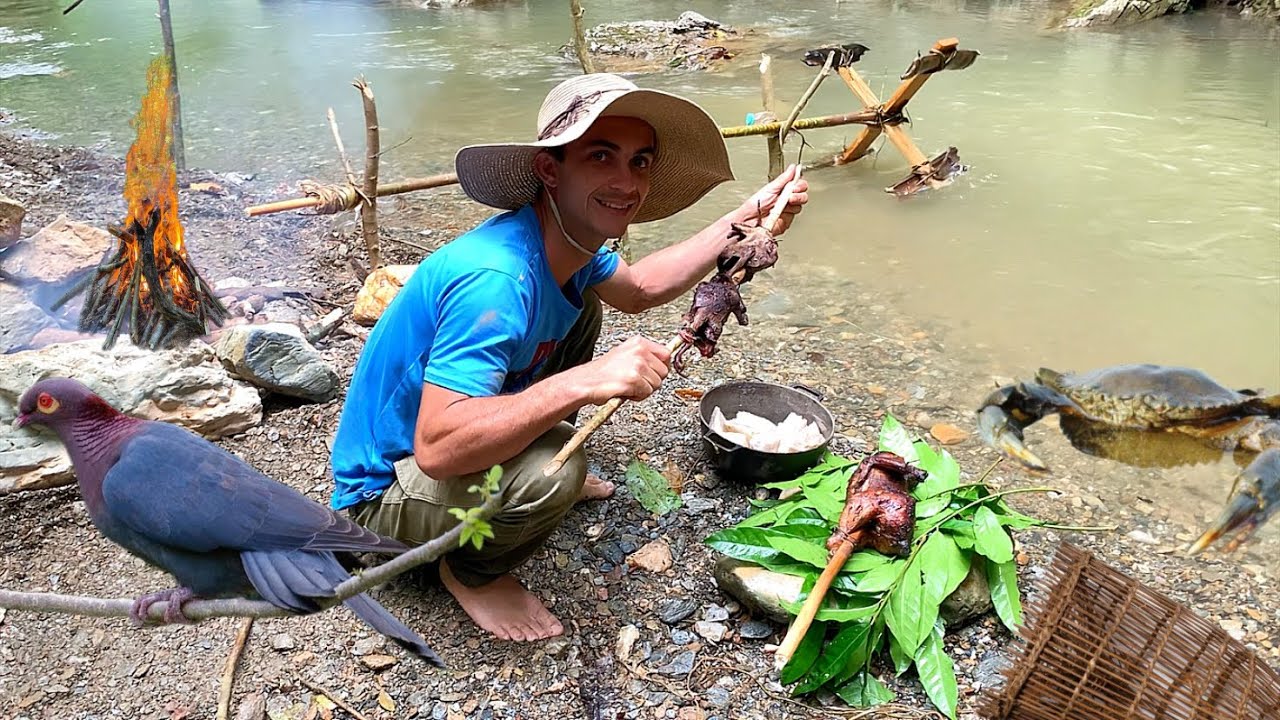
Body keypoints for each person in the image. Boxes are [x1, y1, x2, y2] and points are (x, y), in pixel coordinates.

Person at [328, 72, 808, 642]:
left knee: (584, 309)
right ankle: (472, 573)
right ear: (549, 170)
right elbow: (436, 448)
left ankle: (516, 472)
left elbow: (640, 289)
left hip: (447, 444)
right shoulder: (497, 282)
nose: (627, 182)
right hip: (380, 499)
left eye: (640, 162)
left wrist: (744, 221)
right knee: (554, 473)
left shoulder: (570, 242)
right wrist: (583, 381)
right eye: (601, 156)